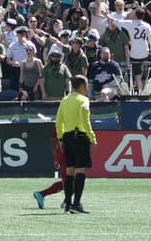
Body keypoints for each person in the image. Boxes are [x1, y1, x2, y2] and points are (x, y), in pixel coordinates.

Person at [54, 75, 96, 214]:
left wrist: (61, 138)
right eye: (86, 85)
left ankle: (67, 203)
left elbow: (58, 121)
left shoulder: (65, 100)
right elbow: (85, 120)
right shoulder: (83, 100)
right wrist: (92, 137)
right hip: (80, 137)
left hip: (67, 137)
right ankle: (76, 203)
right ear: (83, 86)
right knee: (80, 170)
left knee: (69, 170)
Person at [32, 131, 68, 211]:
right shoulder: (60, 125)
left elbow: (54, 142)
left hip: (68, 154)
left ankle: (42, 194)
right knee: (72, 181)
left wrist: (56, 158)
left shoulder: (60, 125)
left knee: (72, 181)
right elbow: (54, 142)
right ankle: (66, 202)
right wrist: (56, 158)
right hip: (65, 154)